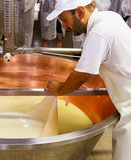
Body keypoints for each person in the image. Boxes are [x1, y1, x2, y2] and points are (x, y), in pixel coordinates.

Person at [45, 0, 131, 160]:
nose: (64, 27)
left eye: (64, 20)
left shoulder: (99, 32)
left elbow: (81, 76)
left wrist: (60, 89)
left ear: (80, 12)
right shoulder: (109, 17)